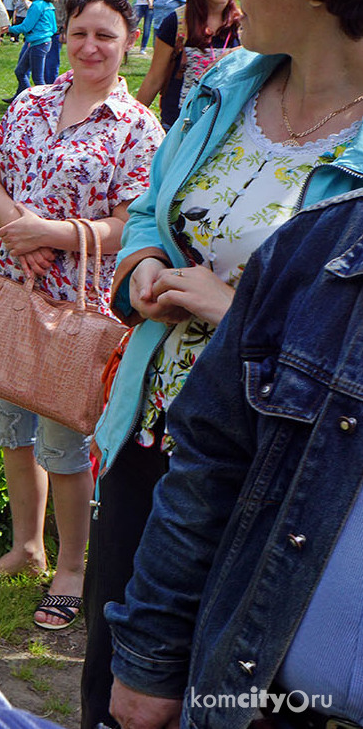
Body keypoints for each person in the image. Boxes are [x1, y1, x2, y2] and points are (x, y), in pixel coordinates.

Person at [81, 0, 363, 727]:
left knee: (228, 687)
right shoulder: (223, 91)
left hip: (278, 468)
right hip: (151, 425)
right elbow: (149, 212)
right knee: (117, 662)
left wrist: (228, 310)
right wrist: (140, 272)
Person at [108, 198, 363, 729]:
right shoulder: (322, 236)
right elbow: (211, 467)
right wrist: (150, 664)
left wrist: (234, 309)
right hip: (252, 699)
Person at [0, 0, 162, 635]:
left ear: (129, 41)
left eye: (106, 35)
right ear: (64, 34)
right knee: (11, 428)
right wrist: (20, 230)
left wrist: (50, 235)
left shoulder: (137, 127)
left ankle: (72, 567)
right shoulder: (30, 102)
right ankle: (26, 547)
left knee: (65, 441)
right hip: (8, 287)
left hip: (78, 307)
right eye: (79, 32)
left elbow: (132, 224)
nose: (89, 47)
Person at [135, 0, 242, 131]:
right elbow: (154, 78)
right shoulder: (176, 22)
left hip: (225, 129)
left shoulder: (245, 25)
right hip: (178, 128)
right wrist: (131, 125)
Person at [2, 0, 56, 101]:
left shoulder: (37, 5)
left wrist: (9, 29)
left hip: (38, 44)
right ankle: (29, 97)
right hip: (44, 42)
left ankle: (40, 102)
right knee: (20, 71)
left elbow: (26, 26)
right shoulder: (49, 5)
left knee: (38, 79)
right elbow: (53, 27)